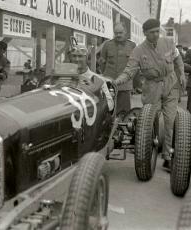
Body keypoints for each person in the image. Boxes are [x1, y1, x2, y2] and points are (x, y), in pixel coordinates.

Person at [113, 18, 186, 168]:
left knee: (169, 120)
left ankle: (167, 156)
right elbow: (129, 71)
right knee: (149, 120)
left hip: (171, 85)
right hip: (152, 88)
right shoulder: (138, 51)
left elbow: (177, 58)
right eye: (152, 32)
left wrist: (182, 74)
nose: (156, 34)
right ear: (145, 33)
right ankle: (147, 149)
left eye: (157, 31)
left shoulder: (168, 42)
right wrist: (117, 81)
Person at [100, 23, 136, 115]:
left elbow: (134, 66)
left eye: (120, 32)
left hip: (125, 85)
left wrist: (135, 83)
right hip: (109, 84)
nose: (118, 35)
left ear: (126, 32)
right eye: (116, 33)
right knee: (108, 109)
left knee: (124, 112)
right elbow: (102, 63)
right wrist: (106, 76)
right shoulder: (107, 45)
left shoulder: (132, 45)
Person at [68, 45, 114, 111]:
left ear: (86, 58)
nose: (77, 59)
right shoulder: (64, 77)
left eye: (80, 56)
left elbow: (110, 105)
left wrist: (98, 100)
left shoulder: (97, 80)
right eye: (74, 56)